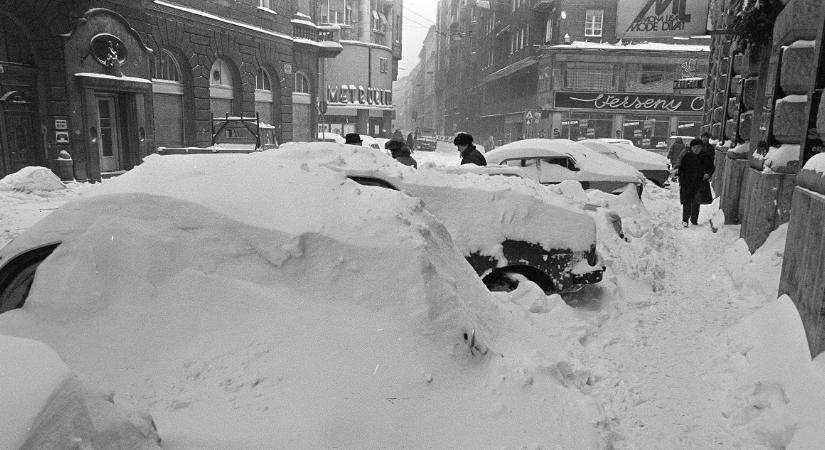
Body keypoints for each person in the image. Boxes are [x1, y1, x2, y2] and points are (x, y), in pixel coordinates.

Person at [678, 138, 715, 227]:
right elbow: (681, 169)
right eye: (694, 147)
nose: (696, 149)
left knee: (696, 201)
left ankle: (694, 219)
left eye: (698, 147)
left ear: (702, 147)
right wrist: (681, 181)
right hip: (687, 182)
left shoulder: (706, 156)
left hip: (700, 183)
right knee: (687, 201)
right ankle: (685, 220)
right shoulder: (687, 157)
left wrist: (708, 174)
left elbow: (711, 167)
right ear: (691, 148)